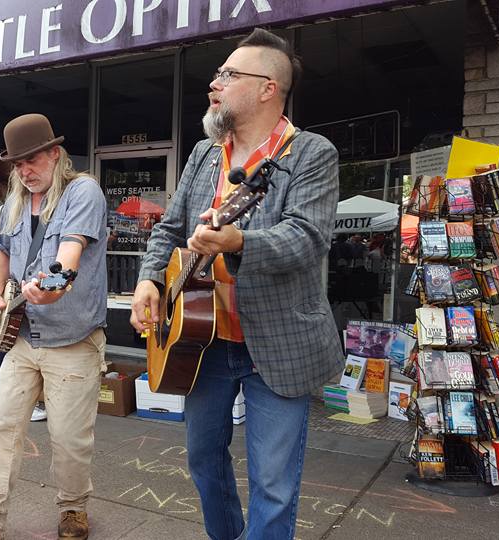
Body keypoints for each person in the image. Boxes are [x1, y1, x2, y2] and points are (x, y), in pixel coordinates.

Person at [131, 29, 342, 540]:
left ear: (268, 88)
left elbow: (307, 238)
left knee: (273, 484)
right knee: (203, 462)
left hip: (278, 344)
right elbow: (168, 229)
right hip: (201, 344)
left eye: (228, 75)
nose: (213, 84)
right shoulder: (204, 154)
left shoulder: (310, 153)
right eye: (218, 74)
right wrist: (148, 280)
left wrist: (237, 241)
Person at [0, 113, 108, 540]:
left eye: (32, 160)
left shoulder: (82, 192)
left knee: (70, 438)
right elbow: (1, 254)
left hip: (73, 340)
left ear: (56, 153)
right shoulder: (15, 201)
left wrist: (52, 288)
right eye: (16, 164)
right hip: (21, 339)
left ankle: (73, 507)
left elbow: (68, 259)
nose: (24, 171)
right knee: (3, 427)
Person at [0, 205, 47, 422]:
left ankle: (21, 398)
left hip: (15, 288)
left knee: (6, 339)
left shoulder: (3, 211)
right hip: (15, 289)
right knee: (9, 339)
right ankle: (29, 401)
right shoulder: (8, 211)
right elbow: (3, 254)